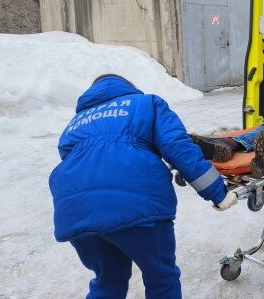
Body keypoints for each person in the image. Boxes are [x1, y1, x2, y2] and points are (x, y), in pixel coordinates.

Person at [49, 74, 237, 299]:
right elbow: (178, 147)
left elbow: (76, 163)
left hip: (75, 212)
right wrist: (217, 192)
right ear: (128, 87)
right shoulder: (147, 103)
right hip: (137, 207)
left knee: (108, 282)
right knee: (161, 279)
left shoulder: (75, 123)